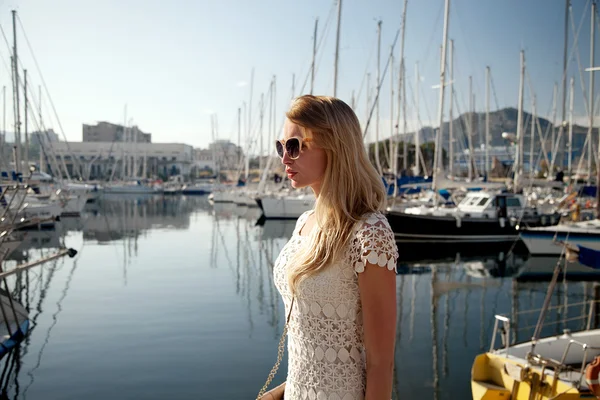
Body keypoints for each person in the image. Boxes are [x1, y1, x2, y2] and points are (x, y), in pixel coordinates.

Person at [270, 95, 398, 400]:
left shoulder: (369, 233)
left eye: (295, 146)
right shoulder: (304, 222)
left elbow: (381, 364)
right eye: (281, 147)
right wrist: (278, 394)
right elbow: (315, 350)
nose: (284, 158)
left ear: (335, 147)